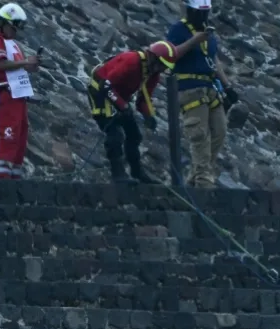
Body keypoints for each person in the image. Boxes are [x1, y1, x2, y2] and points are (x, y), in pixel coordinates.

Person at [87, 36, 207, 183]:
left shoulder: (153, 74)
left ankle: (137, 172)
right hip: (100, 91)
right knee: (114, 133)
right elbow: (105, 85)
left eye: (165, 67)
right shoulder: (131, 61)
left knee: (135, 135)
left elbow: (143, 98)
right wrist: (122, 105)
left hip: (119, 97)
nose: (162, 69)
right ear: (152, 57)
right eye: (161, 64)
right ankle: (117, 174)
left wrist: (148, 115)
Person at [165, 0, 239, 188]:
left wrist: (227, 85)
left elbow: (212, 59)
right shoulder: (178, 30)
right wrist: (193, 41)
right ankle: (204, 181)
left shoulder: (208, 32)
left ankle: (195, 174)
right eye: (199, 14)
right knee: (199, 136)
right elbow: (170, 55)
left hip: (210, 88)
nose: (202, 18)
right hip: (190, 89)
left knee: (219, 131)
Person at [0, 3, 41, 179]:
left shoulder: (12, 44)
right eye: (13, 28)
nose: (15, 32)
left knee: (20, 137)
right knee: (9, 135)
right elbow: (2, 64)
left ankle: (15, 174)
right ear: (3, 23)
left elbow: (20, 67)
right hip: (5, 93)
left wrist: (32, 65)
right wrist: (25, 63)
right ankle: (1, 178)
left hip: (19, 94)